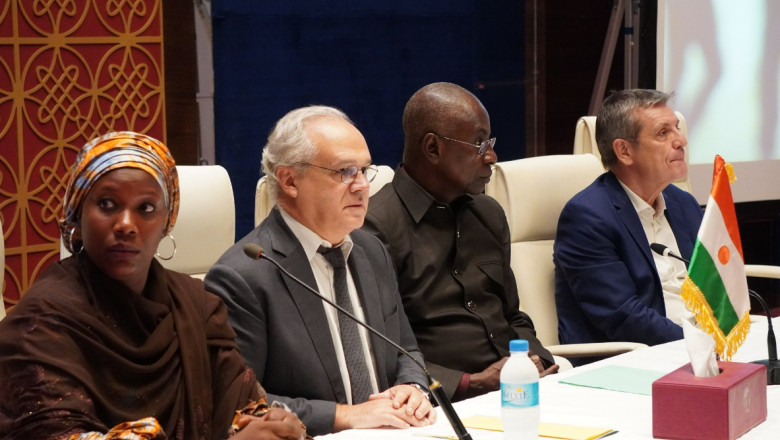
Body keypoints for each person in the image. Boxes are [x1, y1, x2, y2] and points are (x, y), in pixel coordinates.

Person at [0, 132, 308, 440]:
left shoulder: (197, 304)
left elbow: (240, 403)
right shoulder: (39, 323)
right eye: (107, 204)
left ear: (166, 222)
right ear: (78, 216)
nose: (125, 224)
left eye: (146, 208)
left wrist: (269, 423)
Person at [204, 106, 435, 436]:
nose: (361, 186)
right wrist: (345, 416)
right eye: (345, 172)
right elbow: (240, 404)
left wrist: (412, 388)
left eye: (364, 170)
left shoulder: (372, 251)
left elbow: (406, 350)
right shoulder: (243, 276)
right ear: (290, 180)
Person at [363, 82, 557, 402]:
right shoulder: (374, 227)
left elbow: (512, 316)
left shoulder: (488, 213)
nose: (491, 156)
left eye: (489, 142)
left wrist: (537, 361)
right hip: (439, 403)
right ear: (433, 148)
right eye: (479, 143)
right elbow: (383, 350)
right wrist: (471, 383)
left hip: (516, 388)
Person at [554, 89, 704, 348]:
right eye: (663, 133)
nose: (681, 141)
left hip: (700, 346)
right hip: (636, 355)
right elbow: (623, 317)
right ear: (624, 151)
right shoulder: (587, 217)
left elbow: (713, 284)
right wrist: (700, 345)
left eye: (677, 129)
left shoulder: (684, 203)